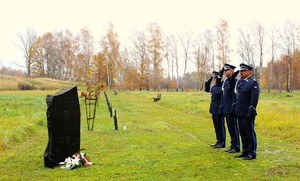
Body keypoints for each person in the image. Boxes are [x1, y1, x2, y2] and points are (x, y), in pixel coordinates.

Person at [234, 63, 260, 160]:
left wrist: (251, 110)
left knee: (249, 133)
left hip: (247, 112)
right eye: (240, 71)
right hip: (240, 111)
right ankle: (245, 151)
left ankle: (252, 152)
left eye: (243, 71)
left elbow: (254, 98)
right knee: (242, 132)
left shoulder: (253, 83)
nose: (241, 72)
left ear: (249, 72)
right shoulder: (240, 82)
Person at [219, 63, 240, 153]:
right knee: (230, 128)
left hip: (231, 108)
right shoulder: (226, 81)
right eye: (224, 70)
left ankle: (236, 146)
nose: (225, 72)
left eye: (227, 70)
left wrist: (232, 107)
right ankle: (233, 145)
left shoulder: (234, 80)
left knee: (233, 127)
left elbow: (233, 93)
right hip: (226, 108)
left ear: (232, 70)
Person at [205, 70, 225, 148]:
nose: (214, 79)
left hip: (219, 108)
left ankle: (222, 142)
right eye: (213, 78)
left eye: (215, 77)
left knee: (220, 126)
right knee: (216, 126)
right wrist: (210, 78)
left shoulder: (221, 85)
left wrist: (219, 77)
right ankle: (218, 141)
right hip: (213, 108)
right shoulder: (213, 86)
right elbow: (206, 89)